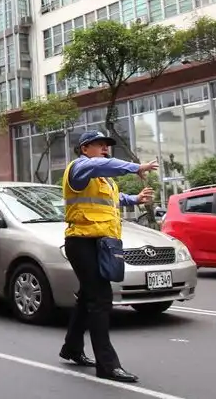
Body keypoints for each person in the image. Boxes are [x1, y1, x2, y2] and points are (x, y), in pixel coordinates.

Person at [57, 130, 159, 384]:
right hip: (81, 242)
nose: (105, 149)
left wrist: (135, 198)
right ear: (84, 149)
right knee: (101, 298)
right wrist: (136, 167)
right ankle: (108, 364)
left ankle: (71, 348)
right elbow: (102, 164)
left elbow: (113, 199)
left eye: (107, 145)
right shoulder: (79, 169)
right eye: (100, 145)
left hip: (101, 243)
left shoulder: (105, 181)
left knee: (88, 297)